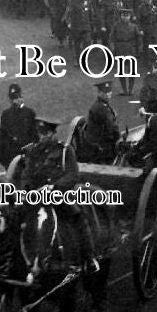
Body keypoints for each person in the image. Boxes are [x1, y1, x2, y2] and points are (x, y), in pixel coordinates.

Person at [21, 116, 99, 272]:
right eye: (39, 134)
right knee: (17, 218)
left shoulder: (65, 151)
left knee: (78, 218)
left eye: (44, 134)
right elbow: (27, 174)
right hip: (37, 197)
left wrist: (54, 187)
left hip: (59, 195)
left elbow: (72, 175)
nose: (41, 137)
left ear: (52, 134)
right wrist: (26, 190)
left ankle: (89, 258)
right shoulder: (33, 151)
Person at [0, 83, 38, 170]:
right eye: (14, 98)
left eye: (17, 97)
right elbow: (2, 138)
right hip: (14, 158)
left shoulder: (29, 113)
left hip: (26, 158)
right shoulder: (6, 115)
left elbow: (35, 136)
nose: (16, 100)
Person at [83, 81, 120, 164]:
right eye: (105, 92)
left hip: (99, 143)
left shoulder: (102, 105)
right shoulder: (100, 108)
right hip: (101, 147)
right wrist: (118, 138)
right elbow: (111, 127)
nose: (108, 94)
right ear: (99, 93)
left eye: (109, 91)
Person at [109, 8, 141, 96]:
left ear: (130, 17)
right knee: (121, 71)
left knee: (132, 71)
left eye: (127, 16)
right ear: (120, 16)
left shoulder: (134, 26)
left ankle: (130, 89)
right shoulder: (116, 26)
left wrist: (139, 50)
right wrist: (112, 49)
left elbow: (138, 39)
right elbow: (111, 38)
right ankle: (124, 90)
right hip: (120, 49)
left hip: (131, 50)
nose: (125, 17)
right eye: (123, 15)